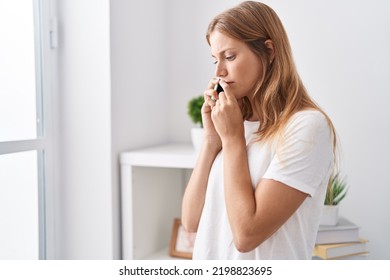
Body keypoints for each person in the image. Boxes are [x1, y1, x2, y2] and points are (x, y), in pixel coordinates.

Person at [181, 1, 337, 260]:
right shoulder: (231, 124)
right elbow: (190, 222)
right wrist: (211, 142)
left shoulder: (307, 127)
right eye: (215, 60)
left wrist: (232, 140)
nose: (219, 71)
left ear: (268, 51)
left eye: (229, 57)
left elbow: (246, 236)